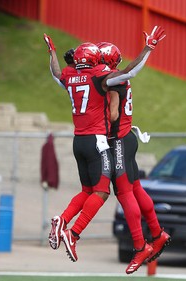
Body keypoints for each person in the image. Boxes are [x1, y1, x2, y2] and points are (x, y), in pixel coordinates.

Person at [43, 25, 165, 266]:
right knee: (116, 191)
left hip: (92, 139)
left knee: (115, 191)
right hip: (109, 139)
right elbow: (127, 75)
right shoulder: (102, 76)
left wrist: (53, 53)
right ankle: (148, 238)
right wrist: (148, 49)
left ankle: (148, 239)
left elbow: (59, 75)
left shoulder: (75, 76)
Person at [97, 41, 171, 274]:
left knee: (125, 193)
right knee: (137, 189)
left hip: (119, 139)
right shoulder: (119, 78)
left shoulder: (113, 82)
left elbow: (114, 112)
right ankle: (158, 233)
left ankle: (141, 245)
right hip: (128, 138)